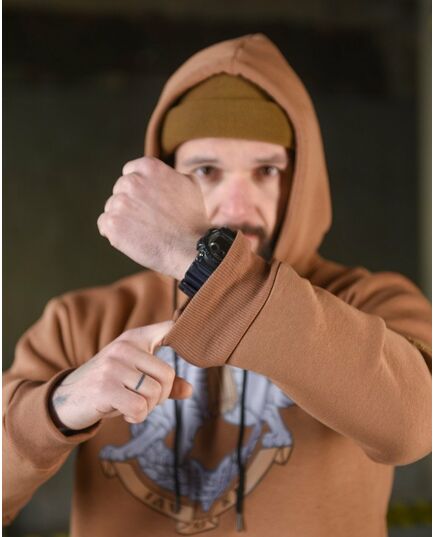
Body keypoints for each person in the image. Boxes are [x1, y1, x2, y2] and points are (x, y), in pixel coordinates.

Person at [3, 34, 431, 537]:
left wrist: (202, 258)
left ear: (300, 182)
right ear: (164, 181)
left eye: (266, 170)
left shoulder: (371, 301)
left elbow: (415, 424)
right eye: (206, 170)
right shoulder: (82, 321)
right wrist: (60, 405)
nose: (236, 208)